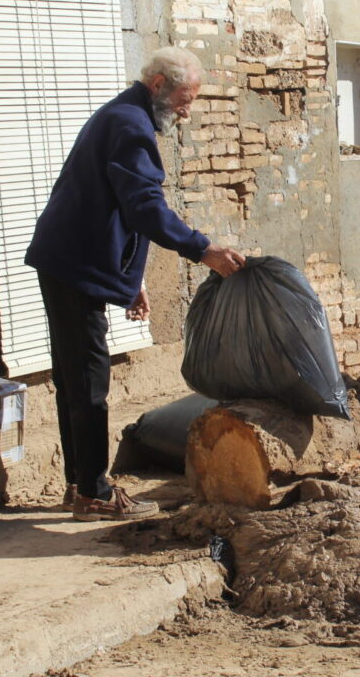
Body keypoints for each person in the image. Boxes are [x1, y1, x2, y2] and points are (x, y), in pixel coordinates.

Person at [25, 46, 244, 521]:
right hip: (73, 263)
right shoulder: (130, 125)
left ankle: (78, 485)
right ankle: (94, 493)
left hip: (69, 258)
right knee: (88, 380)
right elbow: (144, 207)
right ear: (159, 85)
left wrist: (129, 278)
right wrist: (202, 248)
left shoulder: (121, 115)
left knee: (73, 378)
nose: (186, 112)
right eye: (185, 100)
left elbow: (116, 209)